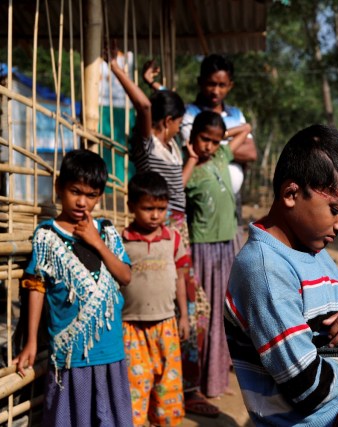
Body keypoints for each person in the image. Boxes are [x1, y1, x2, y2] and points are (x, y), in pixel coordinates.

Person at [224, 124, 338, 426]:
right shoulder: (265, 269)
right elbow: (309, 388)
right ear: (291, 193)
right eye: (337, 209)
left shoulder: (318, 257)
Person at [108, 52, 217, 416]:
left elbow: (176, 190)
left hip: (175, 230)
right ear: (167, 121)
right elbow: (143, 106)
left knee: (188, 312)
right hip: (159, 233)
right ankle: (181, 388)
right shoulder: (147, 145)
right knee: (188, 309)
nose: (179, 128)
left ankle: (183, 386)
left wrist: (156, 84)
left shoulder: (170, 148)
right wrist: (118, 70)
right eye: (177, 121)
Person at [12, 149, 133, 426]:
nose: (82, 202)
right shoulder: (47, 236)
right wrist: (31, 340)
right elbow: (36, 286)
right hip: (71, 356)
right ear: (58, 188)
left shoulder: (106, 232)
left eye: (91, 195)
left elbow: (125, 276)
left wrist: (96, 242)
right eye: (75, 191)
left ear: (100, 196)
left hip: (111, 351)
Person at [184, 110, 250, 398]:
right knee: (203, 316)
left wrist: (222, 136)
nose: (208, 146)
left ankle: (216, 380)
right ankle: (195, 384)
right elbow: (177, 188)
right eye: (203, 139)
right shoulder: (192, 169)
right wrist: (191, 158)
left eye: (214, 140)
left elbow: (246, 127)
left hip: (226, 247)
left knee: (221, 317)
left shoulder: (222, 156)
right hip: (203, 251)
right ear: (192, 137)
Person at [120, 171, 189, 427]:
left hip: (166, 325)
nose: (155, 215)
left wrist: (184, 316)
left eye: (161, 209)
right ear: (132, 207)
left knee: (167, 387)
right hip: (131, 327)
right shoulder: (121, 241)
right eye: (148, 208)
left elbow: (181, 279)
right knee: (134, 387)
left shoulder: (173, 238)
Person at [179, 53, 258, 250]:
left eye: (222, 85)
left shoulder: (236, 114)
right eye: (211, 84)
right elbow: (198, 149)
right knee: (201, 249)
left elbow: (251, 153)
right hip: (202, 196)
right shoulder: (190, 113)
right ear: (200, 82)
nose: (216, 90)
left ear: (230, 85)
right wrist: (230, 142)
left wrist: (218, 139)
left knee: (231, 249)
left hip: (231, 198)